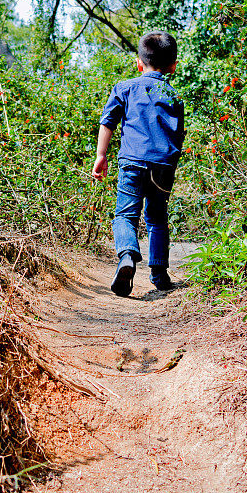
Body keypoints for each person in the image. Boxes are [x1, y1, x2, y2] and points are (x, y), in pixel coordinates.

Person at [92, 31, 185, 296]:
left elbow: (108, 121)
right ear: (173, 67)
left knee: (125, 215)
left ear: (139, 63)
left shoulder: (125, 87)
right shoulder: (175, 97)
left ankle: (127, 256)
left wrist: (101, 155)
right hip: (164, 166)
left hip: (132, 161)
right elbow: (178, 134)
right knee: (157, 219)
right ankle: (159, 274)